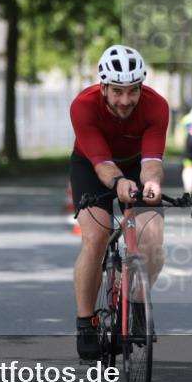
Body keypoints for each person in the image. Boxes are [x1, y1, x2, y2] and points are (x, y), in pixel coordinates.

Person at [69, 45, 168, 361]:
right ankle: (86, 323)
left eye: (132, 91)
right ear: (103, 88)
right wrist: (118, 183)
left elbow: (151, 162)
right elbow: (102, 165)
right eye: (117, 91)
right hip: (91, 165)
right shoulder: (83, 106)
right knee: (96, 236)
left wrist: (151, 184)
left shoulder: (156, 106)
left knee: (153, 236)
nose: (125, 100)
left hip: (136, 166)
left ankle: (136, 303)